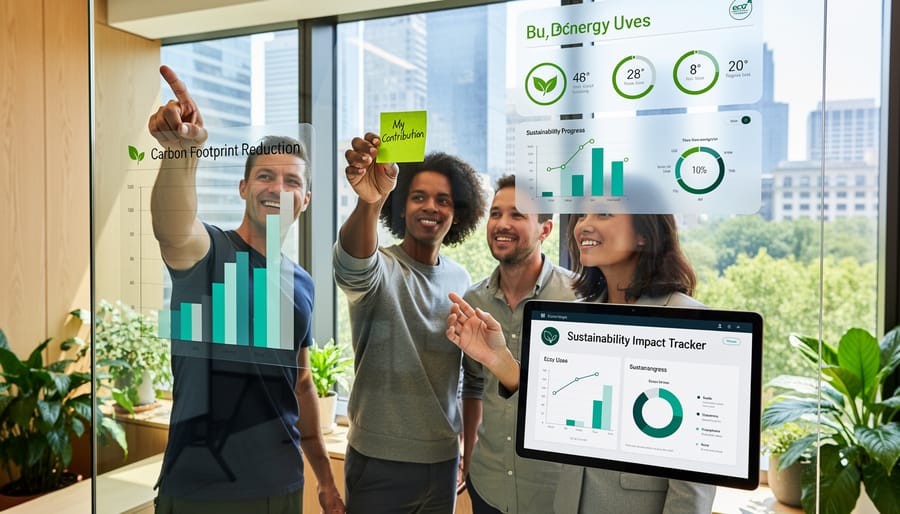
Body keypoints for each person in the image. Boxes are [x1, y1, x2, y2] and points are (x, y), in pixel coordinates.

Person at [148, 65, 344, 514]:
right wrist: (180, 153)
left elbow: (302, 382)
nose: (278, 188)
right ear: (243, 187)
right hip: (199, 491)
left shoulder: (302, 282)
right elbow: (172, 229)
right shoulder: (210, 251)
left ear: (305, 200)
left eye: (292, 181)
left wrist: (325, 478)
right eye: (265, 176)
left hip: (281, 487)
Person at [447, 212, 716, 514]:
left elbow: (692, 486)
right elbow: (558, 406)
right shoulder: (577, 315)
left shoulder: (688, 322)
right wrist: (499, 360)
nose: (583, 225)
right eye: (582, 215)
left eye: (603, 213)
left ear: (645, 232)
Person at [334, 132, 486, 513]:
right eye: (418, 197)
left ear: (457, 214)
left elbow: (472, 379)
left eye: (443, 200)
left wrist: (467, 450)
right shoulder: (382, 266)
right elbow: (352, 269)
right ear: (400, 207)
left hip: (442, 461)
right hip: (377, 461)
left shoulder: (461, 280)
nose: (430, 207)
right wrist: (370, 202)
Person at [459, 175, 575, 514]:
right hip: (488, 487)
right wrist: (469, 457)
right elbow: (474, 383)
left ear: (545, 229)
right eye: (495, 213)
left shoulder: (578, 299)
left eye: (518, 215)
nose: (502, 224)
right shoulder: (474, 300)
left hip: (553, 494)